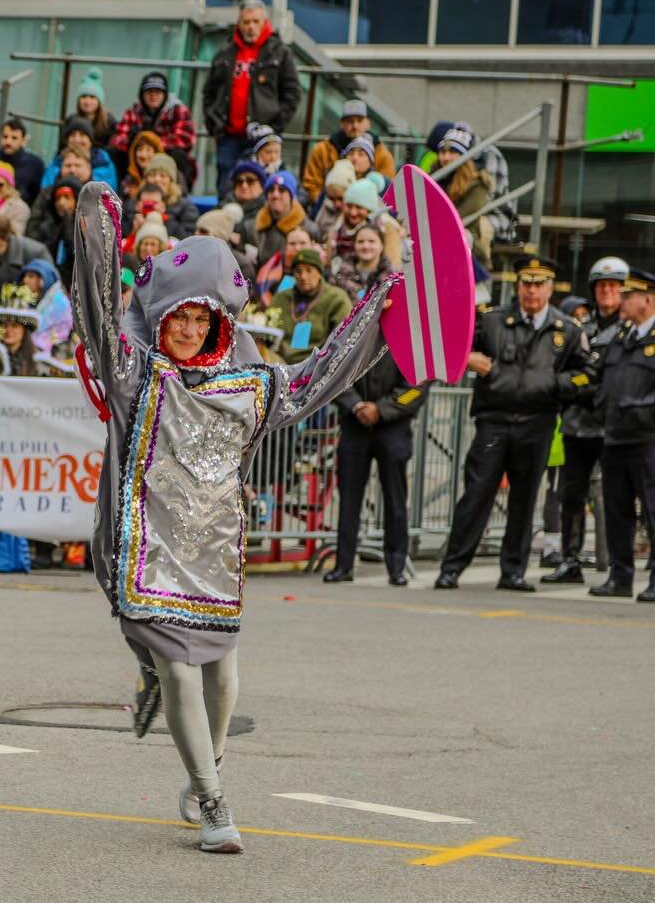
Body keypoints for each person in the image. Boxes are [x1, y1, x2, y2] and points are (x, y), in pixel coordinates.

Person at [70, 183, 401, 856]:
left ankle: (207, 770)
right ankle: (213, 799)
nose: (189, 329)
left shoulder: (247, 386)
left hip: (214, 554)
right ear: (161, 317)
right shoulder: (137, 373)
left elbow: (318, 376)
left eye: (203, 319)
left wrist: (381, 302)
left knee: (224, 675)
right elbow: (103, 316)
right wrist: (101, 227)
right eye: (179, 318)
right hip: (148, 548)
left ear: (222, 322)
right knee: (181, 670)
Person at [434, 257, 592, 592]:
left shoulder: (567, 329)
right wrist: (468, 358)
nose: (532, 291)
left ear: (550, 288)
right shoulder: (491, 320)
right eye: (526, 283)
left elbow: (586, 376)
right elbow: (453, 343)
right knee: (477, 492)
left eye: (539, 284)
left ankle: (513, 571)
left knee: (524, 498)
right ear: (518, 286)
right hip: (494, 421)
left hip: (538, 422)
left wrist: (554, 384)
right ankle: (452, 567)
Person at [543, 257, 631, 584]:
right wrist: (581, 384)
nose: (607, 292)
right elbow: (569, 373)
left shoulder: (631, 329)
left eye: (614, 286)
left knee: (618, 496)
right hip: (579, 424)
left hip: (615, 426)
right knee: (571, 495)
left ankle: (620, 565)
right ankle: (570, 559)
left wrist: (587, 382)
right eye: (602, 286)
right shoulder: (578, 327)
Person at [324, 353, 429, 587]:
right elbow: (337, 375)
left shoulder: (409, 340)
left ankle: (396, 567)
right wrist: (356, 405)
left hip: (393, 429)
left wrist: (381, 409)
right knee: (349, 500)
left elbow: (417, 388)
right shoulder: (359, 332)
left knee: (395, 501)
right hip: (355, 426)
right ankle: (343, 565)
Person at [590, 268, 655, 602]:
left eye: (628, 296)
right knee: (618, 511)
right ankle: (620, 576)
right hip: (615, 436)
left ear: (647, 300)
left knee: (653, 509)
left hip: (647, 439)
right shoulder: (620, 337)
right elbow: (602, 381)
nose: (622, 301)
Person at [202, 0, 302, 189]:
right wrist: (214, 124)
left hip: (262, 137)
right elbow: (209, 92)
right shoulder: (224, 52)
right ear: (239, 23)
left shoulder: (279, 52)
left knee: (263, 186)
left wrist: (275, 127)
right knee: (226, 186)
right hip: (228, 136)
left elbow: (292, 93)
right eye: (246, 22)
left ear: (264, 22)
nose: (250, 27)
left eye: (255, 21)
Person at [108, 72, 196, 188]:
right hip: (137, 159)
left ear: (165, 94)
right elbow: (117, 140)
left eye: (158, 92)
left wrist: (152, 141)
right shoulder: (133, 111)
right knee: (112, 153)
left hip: (165, 158)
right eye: (149, 92)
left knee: (179, 155)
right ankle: (119, 191)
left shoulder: (178, 110)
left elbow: (185, 139)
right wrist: (132, 141)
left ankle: (178, 194)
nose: (153, 95)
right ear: (142, 95)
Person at [266, 249, 352, 364]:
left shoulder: (337, 298)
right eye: (298, 271)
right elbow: (268, 332)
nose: (303, 276)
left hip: (318, 365)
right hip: (279, 363)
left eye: (309, 270)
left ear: (319, 273)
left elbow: (342, 338)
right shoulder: (281, 298)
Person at [300, 101, 396, 203]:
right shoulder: (322, 150)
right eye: (350, 121)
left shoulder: (383, 155)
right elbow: (311, 186)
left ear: (368, 123)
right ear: (341, 124)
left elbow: (388, 192)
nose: (355, 126)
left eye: (359, 120)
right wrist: (329, 204)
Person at [436, 123, 495, 273]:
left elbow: (457, 218)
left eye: (452, 152)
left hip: (464, 242)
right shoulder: (434, 178)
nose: (446, 157)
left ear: (464, 156)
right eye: (442, 152)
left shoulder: (478, 185)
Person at [240, 170, 317, 265]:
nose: (275, 195)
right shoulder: (251, 228)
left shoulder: (309, 229)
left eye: (281, 190)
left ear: (291, 196)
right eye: (271, 190)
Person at [325, 177, 401, 267]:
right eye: (349, 206)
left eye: (359, 207)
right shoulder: (336, 230)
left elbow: (393, 265)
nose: (353, 212)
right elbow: (329, 265)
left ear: (370, 210)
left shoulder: (386, 229)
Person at [0, 117, 45, 205]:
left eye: (14, 138)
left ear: (23, 140)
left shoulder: (35, 164)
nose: (8, 142)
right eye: (5, 137)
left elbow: (37, 195)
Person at [27, 176, 82, 285]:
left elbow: (76, 254)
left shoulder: (86, 226)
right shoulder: (47, 227)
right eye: (58, 198)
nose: (61, 203)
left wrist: (67, 224)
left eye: (67, 197)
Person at [40, 117, 119, 191]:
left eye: (82, 135)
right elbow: (46, 190)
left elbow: (107, 194)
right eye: (73, 135)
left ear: (90, 140)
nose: (77, 139)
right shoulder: (56, 162)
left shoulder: (103, 162)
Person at [17, 258, 73, 358]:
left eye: (31, 276)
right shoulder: (24, 301)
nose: (25, 280)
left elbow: (61, 334)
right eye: (24, 276)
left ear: (44, 278)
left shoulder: (60, 302)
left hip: (54, 355)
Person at [328, 223, 395, 302]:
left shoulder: (392, 277)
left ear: (382, 245)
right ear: (354, 245)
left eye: (371, 241)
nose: (365, 246)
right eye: (360, 241)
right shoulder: (341, 274)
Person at [0, 284, 41, 376]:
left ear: (24, 330)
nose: (8, 330)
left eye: (15, 326)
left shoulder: (37, 359)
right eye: (4, 325)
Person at [309, 159, 355, 244]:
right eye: (332, 199)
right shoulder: (324, 208)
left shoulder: (357, 214)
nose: (336, 204)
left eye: (340, 198)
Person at [69, 68, 113, 149]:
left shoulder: (110, 122)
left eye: (92, 97)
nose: (87, 101)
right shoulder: (71, 120)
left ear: (99, 101)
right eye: (84, 96)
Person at [119, 130, 164, 205]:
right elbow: (122, 208)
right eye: (140, 150)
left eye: (148, 150)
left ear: (157, 153)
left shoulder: (167, 176)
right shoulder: (129, 180)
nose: (143, 155)